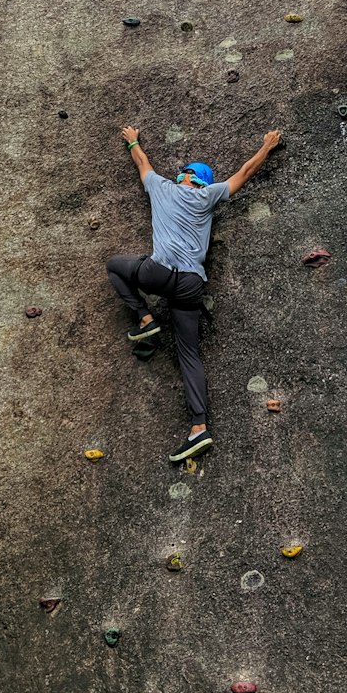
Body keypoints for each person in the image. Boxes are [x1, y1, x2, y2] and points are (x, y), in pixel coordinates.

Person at [107, 124, 283, 462]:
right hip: (191, 284)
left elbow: (142, 164)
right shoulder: (208, 196)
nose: (178, 175)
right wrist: (267, 146)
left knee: (116, 266)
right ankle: (198, 428)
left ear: (187, 177)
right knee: (189, 354)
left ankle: (145, 319)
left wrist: (133, 140)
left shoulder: (162, 188)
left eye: (183, 173)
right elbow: (243, 173)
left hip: (157, 274)